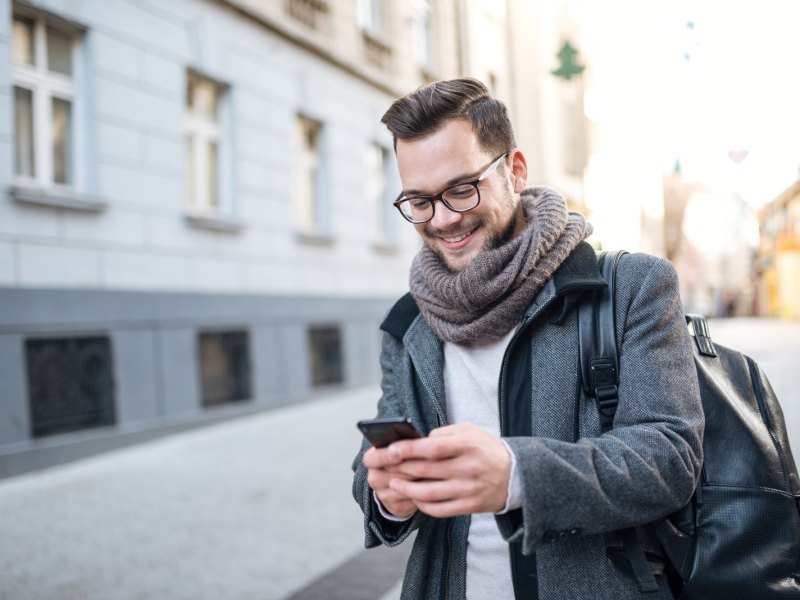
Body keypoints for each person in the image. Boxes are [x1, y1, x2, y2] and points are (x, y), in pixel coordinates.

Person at [351, 77, 704, 600]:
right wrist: (387, 495)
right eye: (419, 201)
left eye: (461, 189)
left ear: (514, 171)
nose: (443, 218)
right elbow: (370, 475)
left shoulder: (630, 288)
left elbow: (670, 459)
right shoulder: (409, 324)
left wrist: (518, 475)